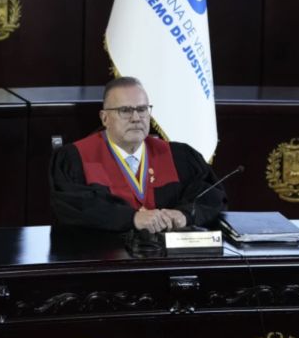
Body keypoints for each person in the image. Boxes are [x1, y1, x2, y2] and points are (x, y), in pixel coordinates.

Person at [50, 77, 227, 233]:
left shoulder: (179, 156)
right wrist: (131, 218)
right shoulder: (75, 159)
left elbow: (211, 195)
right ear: (105, 118)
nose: (136, 118)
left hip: (168, 260)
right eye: (125, 110)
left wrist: (186, 214)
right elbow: (73, 207)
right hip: (101, 259)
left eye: (142, 109)